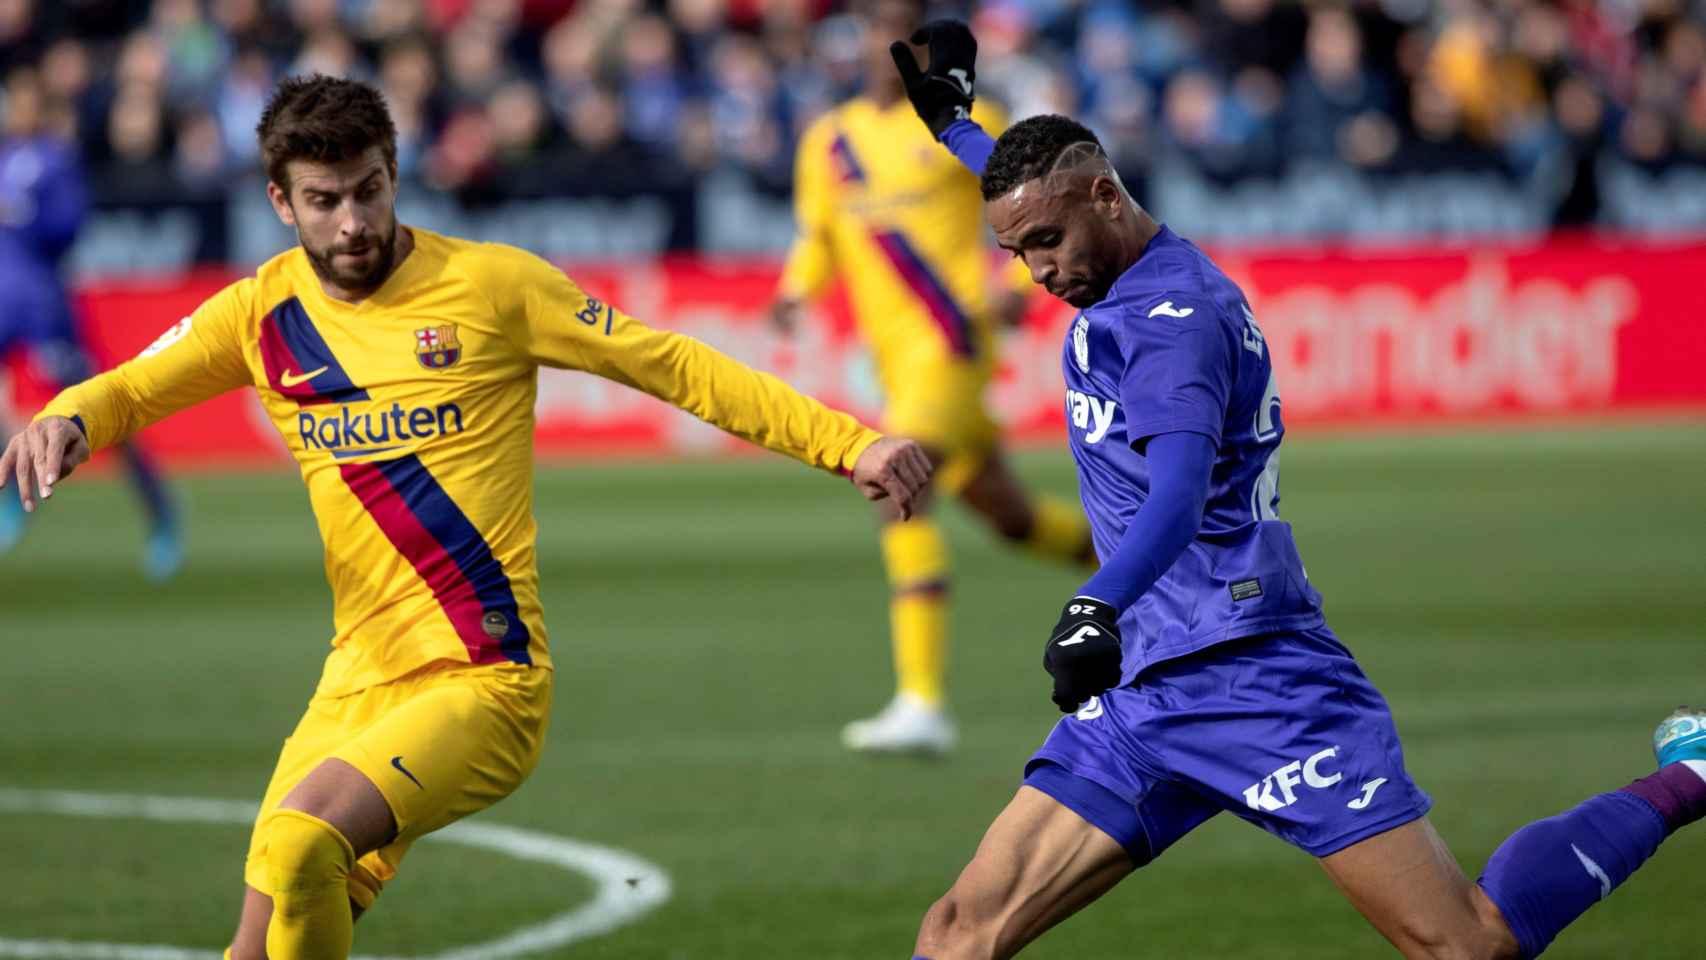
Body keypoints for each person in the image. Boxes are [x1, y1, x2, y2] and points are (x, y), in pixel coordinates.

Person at [0, 74, 933, 959]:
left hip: (485, 678)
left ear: (397, 172)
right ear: (282, 204)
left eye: (370, 190)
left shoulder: (493, 287)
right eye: (324, 200)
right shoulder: (260, 314)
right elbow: (127, 389)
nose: (354, 222)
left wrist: (848, 443)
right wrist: (68, 416)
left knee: (297, 846)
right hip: (355, 681)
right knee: (259, 937)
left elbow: (676, 366)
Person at [889, 22, 1706, 959]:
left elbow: (1180, 493)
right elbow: (1034, 182)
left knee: (1468, 945)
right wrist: (955, 124)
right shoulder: (1098, 244)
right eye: (1017, 253)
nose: (1036, 272)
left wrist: (1095, 603)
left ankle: (1691, 776)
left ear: (1108, 199)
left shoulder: (1171, 325)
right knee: (959, 933)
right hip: (1145, 689)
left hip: (1253, 677)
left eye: (1044, 245)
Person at [772, 0, 1094, 756]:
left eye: (906, 26)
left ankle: (922, 701)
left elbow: (1038, 204)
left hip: (950, 345)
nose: (890, 43)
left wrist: (1018, 292)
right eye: (878, 27)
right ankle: (1153, 570)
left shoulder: (972, 116)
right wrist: (795, 289)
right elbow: (819, 235)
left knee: (895, 481)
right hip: (895, 362)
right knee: (1010, 518)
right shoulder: (830, 139)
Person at [0, 64, 180, 575]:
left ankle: (159, 509)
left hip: (41, 303)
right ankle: (14, 494)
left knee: (94, 411)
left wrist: (21, 215)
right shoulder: (5, 156)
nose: (18, 109)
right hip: (3, 300)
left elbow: (70, 225)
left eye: (25, 99)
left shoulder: (56, 159)